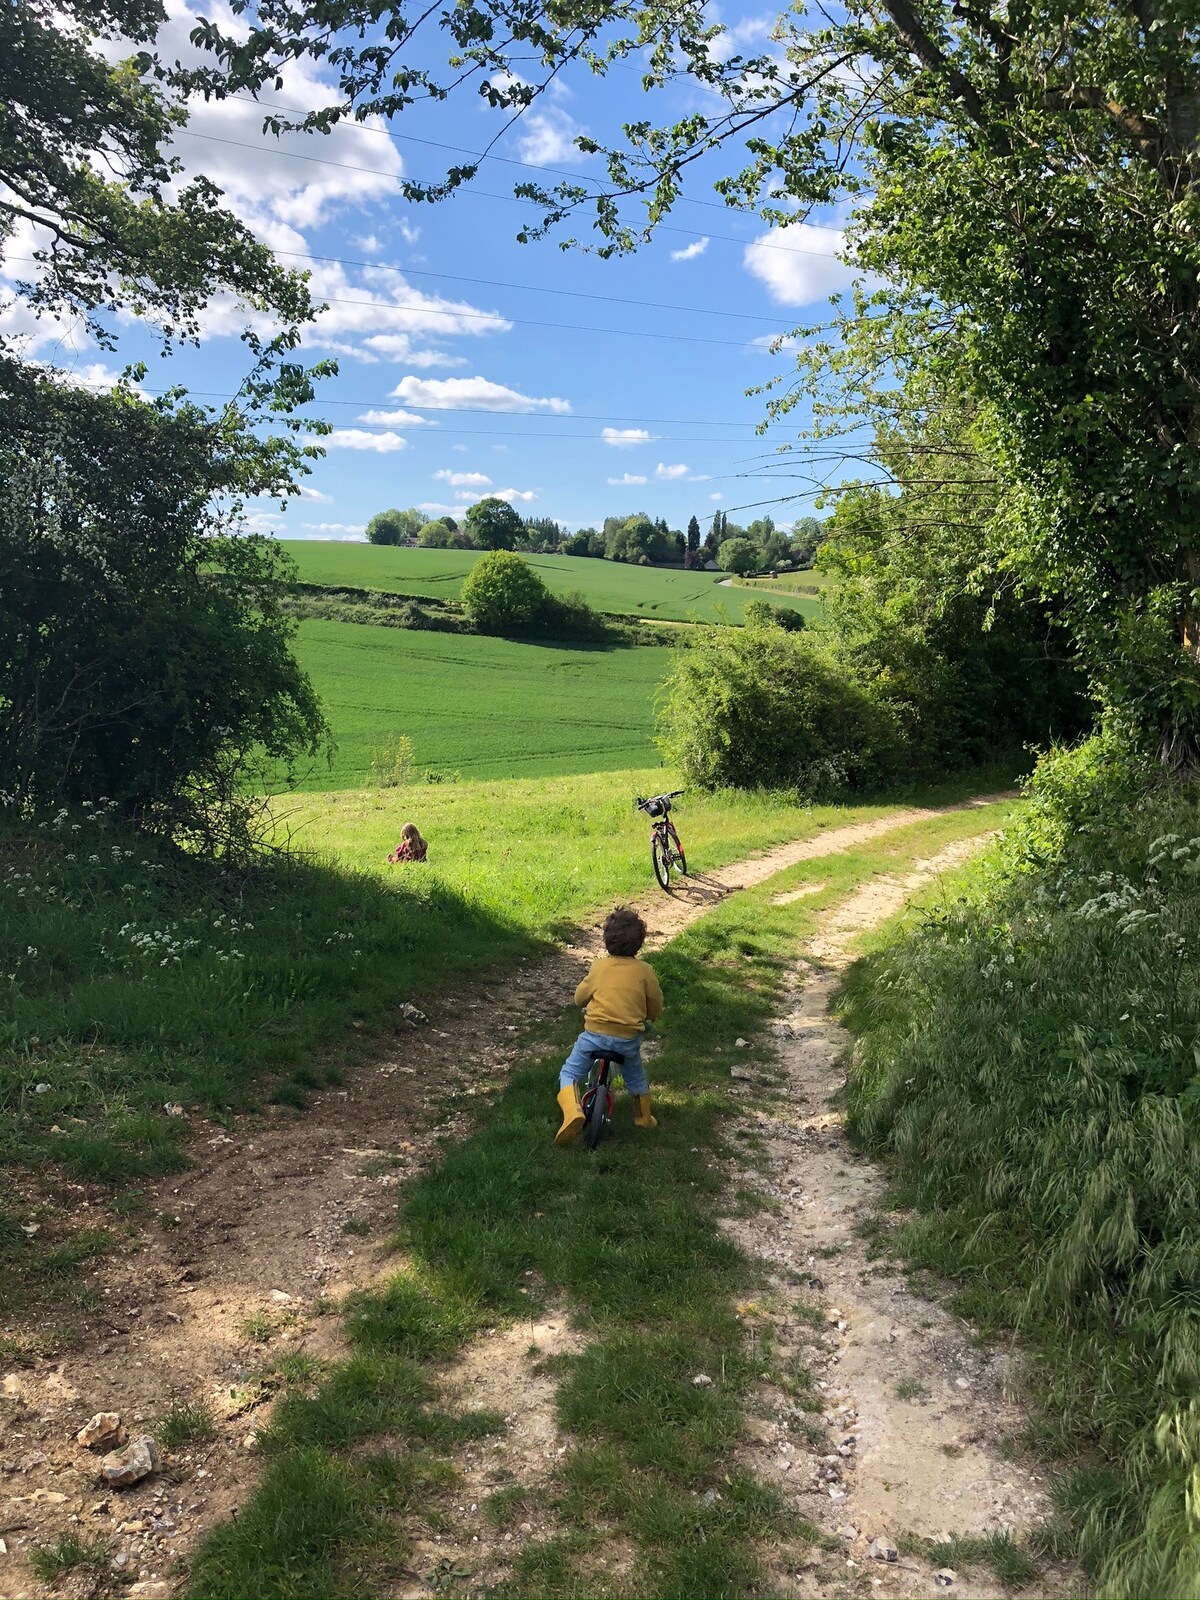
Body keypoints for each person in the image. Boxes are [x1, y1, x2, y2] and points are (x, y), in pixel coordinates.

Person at [555, 906, 663, 1145]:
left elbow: (579, 998)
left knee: (569, 1072)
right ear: (639, 943)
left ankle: (573, 1110)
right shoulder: (645, 971)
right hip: (626, 1039)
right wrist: (650, 1016)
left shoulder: (599, 967)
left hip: (594, 1035)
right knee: (635, 1077)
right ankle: (644, 1118)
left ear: (606, 940)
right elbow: (655, 1003)